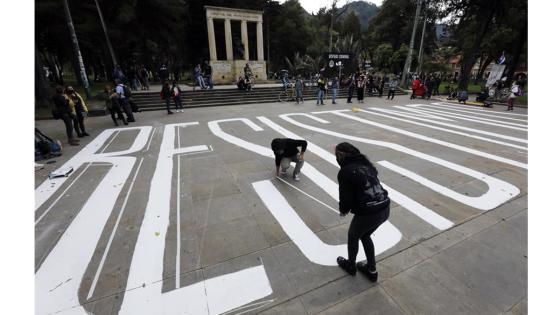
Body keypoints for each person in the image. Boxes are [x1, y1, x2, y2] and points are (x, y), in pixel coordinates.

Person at [335, 142, 390, 282]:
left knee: (353, 236)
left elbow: (345, 197)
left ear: (340, 156)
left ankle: (351, 266)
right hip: (384, 207)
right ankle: (372, 271)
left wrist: (343, 210)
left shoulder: (345, 171)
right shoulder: (366, 165)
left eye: (336, 154)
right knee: (365, 235)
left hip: (369, 212)